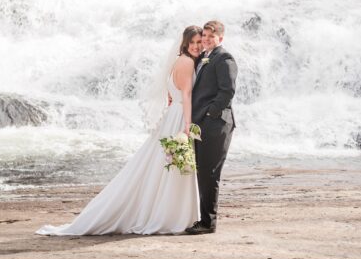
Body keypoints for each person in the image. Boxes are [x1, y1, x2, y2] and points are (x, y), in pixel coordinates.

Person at [36, 27, 202, 237]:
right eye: (193, 42)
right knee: (172, 167)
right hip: (179, 117)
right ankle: (171, 216)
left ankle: (166, 211)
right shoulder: (187, 63)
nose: (197, 46)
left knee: (162, 166)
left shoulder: (177, 61)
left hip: (172, 115)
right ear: (185, 43)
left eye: (199, 42)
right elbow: (186, 95)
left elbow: (172, 93)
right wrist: (187, 126)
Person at [185, 20, 238, 235]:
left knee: (210, 173)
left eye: (211, 36)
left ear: (220, 38)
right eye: (204, 36)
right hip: (203, 125)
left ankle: (208, 222)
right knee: (203, 172)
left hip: (216, 125)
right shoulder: (205, 58)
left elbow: (227, 91)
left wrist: (209, 114)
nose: (206, 39)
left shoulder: (224, 58)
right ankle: (203, 218)